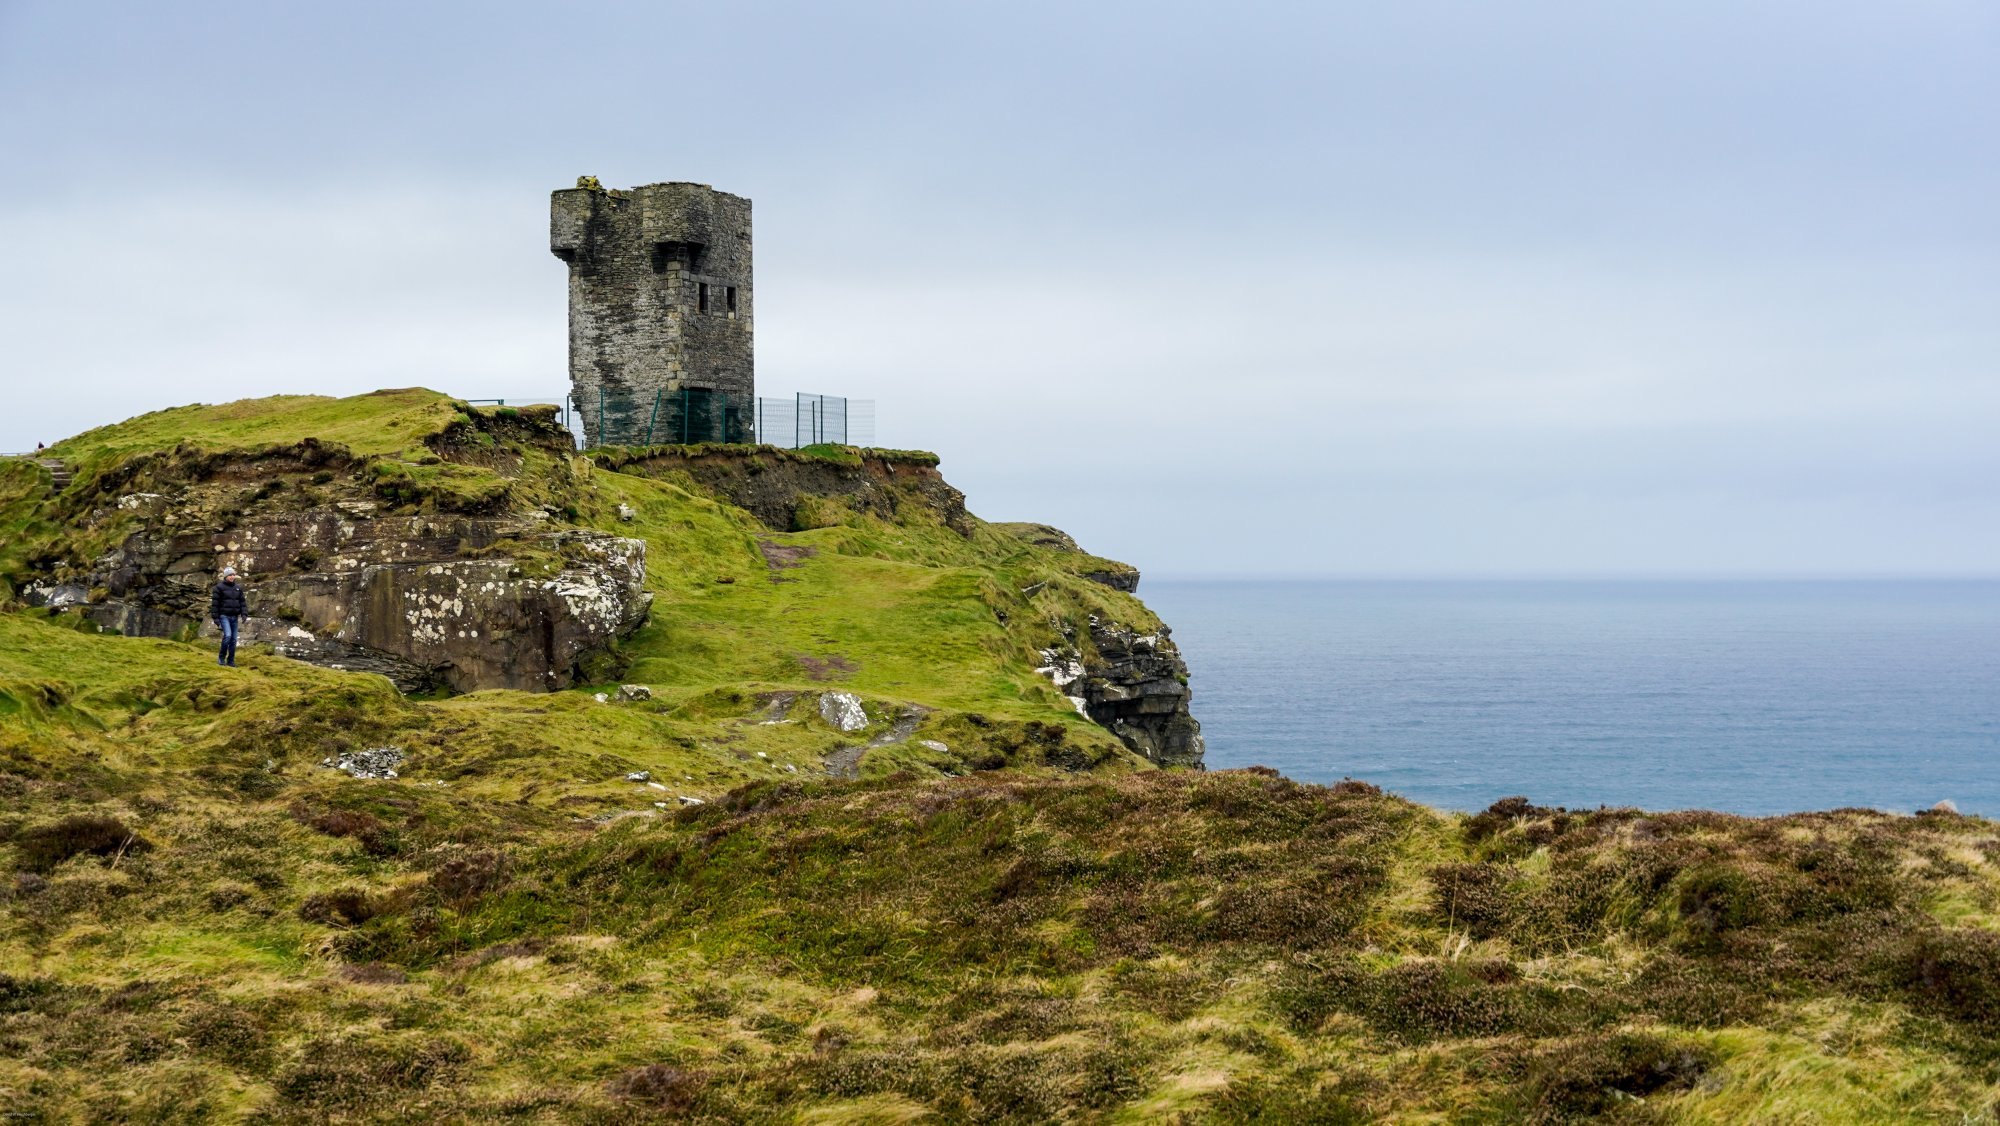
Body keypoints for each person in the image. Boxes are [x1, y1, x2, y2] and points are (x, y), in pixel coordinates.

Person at [210, 566, 249, 667]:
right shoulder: (219, 588)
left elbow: (242, 602)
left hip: (234, 617)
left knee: (234, 639)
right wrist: (216, 619)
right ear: (226, 576)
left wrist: (244, 614)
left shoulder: (238, 588)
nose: (232, 577)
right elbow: (215, 605)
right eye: (230, 575)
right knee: (228, 636)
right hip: (224, 616)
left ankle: (231, 661)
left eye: (233, 575)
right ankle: (221, 658)